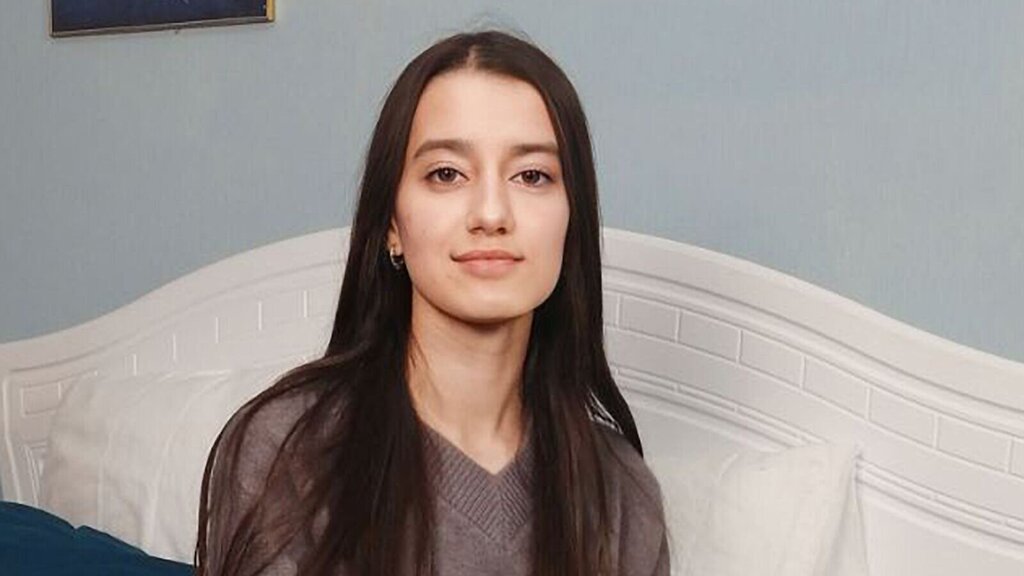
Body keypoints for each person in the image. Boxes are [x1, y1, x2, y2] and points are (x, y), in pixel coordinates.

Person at [194, 29, 669, 576]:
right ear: (391, 225)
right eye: (447, 174)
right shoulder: (288, 448)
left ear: (571, 219)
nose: (491, 214)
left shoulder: (622, 494)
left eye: (532, 175)